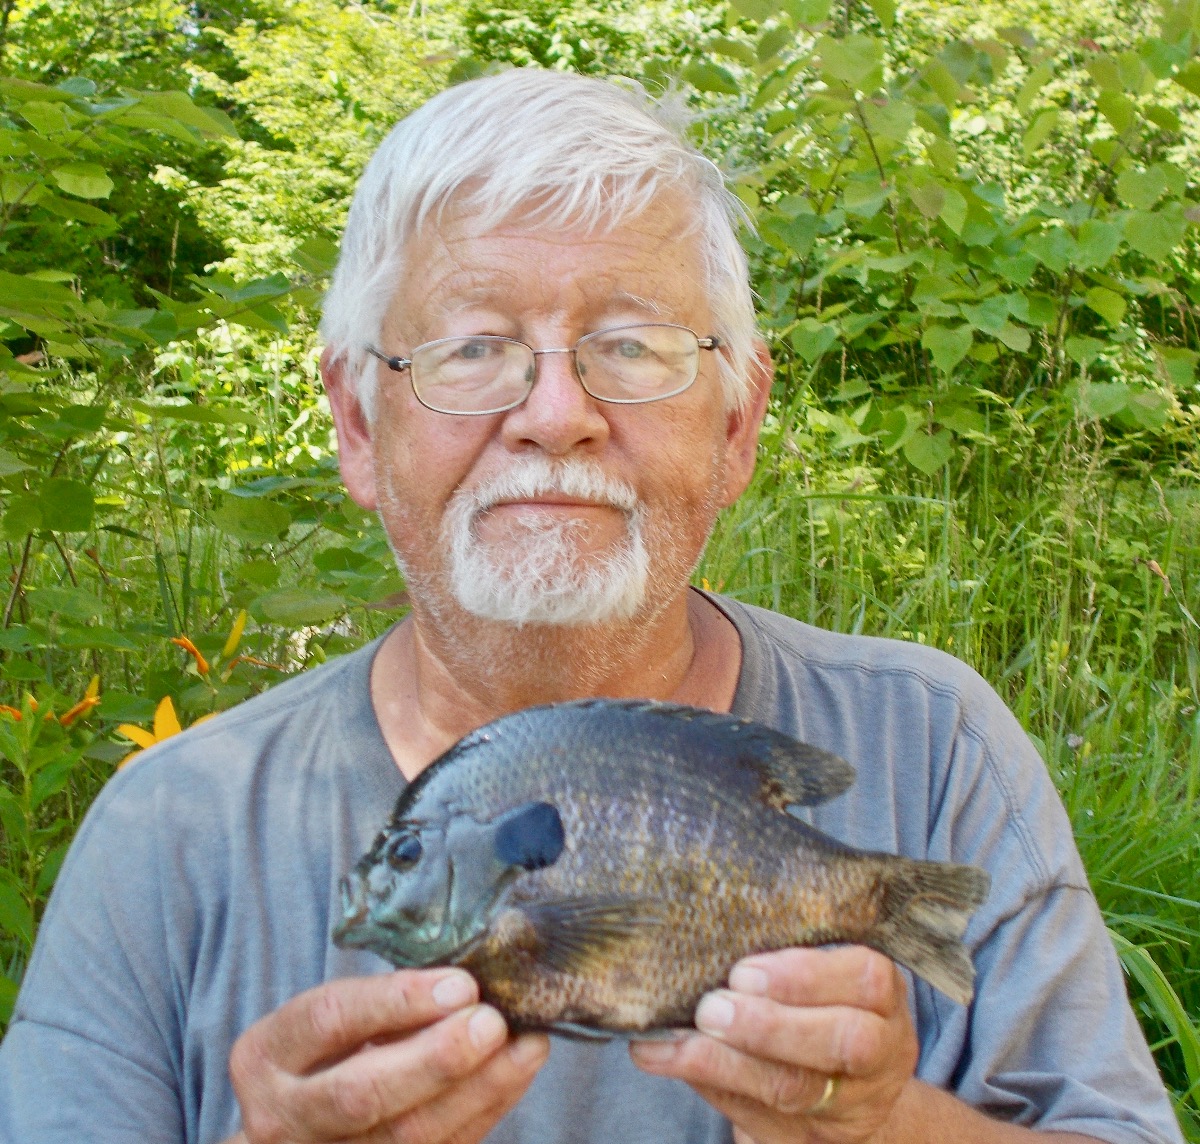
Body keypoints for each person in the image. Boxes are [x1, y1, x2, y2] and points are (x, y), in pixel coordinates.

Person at [0, 68, 1184, 1144]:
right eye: (472, 348)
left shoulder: (931, 748)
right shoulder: (169, 827)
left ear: (737, 423)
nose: (556, 414)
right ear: (358, 423)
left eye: (632, 345)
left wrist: (887, 1130)